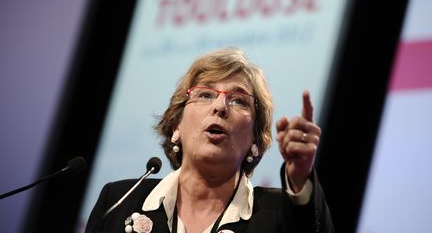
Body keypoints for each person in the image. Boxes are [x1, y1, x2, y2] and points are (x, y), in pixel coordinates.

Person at [85, 47, 334, 233]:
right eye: (205, 94)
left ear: (254, 140)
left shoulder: (279, 213)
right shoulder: (119, 201)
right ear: (175, 126)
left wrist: (301, 176)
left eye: (239, 100)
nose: (220, 106)